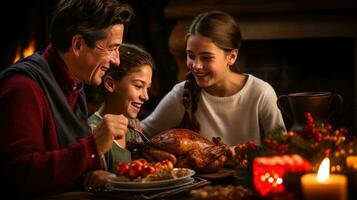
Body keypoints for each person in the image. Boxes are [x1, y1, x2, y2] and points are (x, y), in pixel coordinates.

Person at [0, 0, 134, 198]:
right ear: (78, 45)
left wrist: (90, 174)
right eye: (112, 48)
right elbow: (19, 177)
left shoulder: (74, 81)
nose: (117, 60)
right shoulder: (23, 88)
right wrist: (93, 147)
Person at [141, 11, 285, 148]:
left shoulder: (261, 93)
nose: (196, 65)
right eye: (191, 55)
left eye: (206, 57)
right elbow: (142, 133)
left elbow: (282, 148)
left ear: (232, 56)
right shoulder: (183, 92)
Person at [83, 43, 154, 187]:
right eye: (139, 86)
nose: (145, 96)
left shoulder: (133, 128)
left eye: (148, 88)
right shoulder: (93, 131)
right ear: (110, 84)